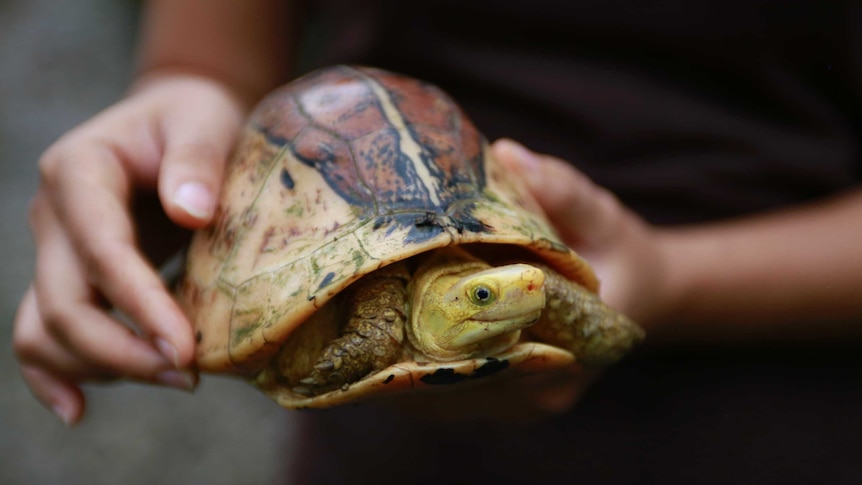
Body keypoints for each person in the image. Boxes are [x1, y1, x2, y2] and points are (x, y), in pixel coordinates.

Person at [13, 0, 862, 482]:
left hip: (770, 420)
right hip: (397, 455)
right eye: (489, 294)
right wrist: (182, 104)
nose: (526, 293)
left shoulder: (531, 282)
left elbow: (548, 289)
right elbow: (208, 60)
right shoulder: (383, 316)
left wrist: (665, 285)